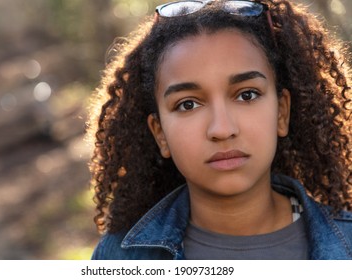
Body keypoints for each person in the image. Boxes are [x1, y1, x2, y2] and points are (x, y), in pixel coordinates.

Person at [89, 0, 352, 260]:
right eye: (187, 104)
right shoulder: (119, 258)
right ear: (160, 134)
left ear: (281, 112)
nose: (222, 129)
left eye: (247, 95)